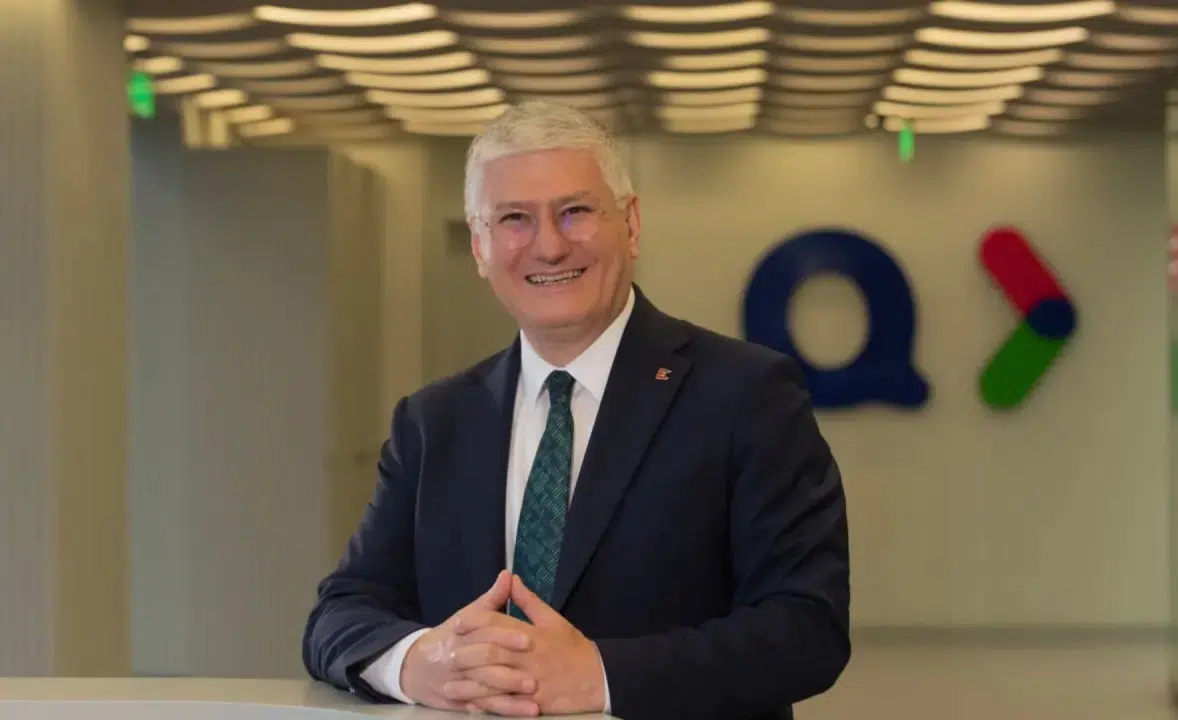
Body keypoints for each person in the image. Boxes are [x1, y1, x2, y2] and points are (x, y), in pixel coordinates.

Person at [302, 100, 851, 720]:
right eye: (514, 219)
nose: (550, 246)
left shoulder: (747, 395)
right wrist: (418, 662)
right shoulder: (433, 423)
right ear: (480, 247)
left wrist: (601, 675)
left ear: (631, 224)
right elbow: (340, 614)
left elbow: (808, 627)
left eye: (575, 212)